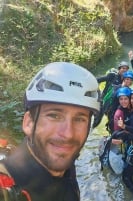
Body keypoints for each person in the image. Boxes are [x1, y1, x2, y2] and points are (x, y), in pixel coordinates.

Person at [0, 62, 100, 201]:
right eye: (54, 116)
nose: (68, 134)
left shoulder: (66, 166)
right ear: (29, 122)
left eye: (79, 119)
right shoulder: (6, 187)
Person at [93, 61, 130, 128]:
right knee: (97, 119)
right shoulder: (112, 76)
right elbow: (99, 79)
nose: (125, 70)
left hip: (113, 104)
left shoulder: (125, 80)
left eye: (126, 69)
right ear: (119, 69)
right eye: (123, 68)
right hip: (104, 100)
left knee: (112, 120)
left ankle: (112, 134)